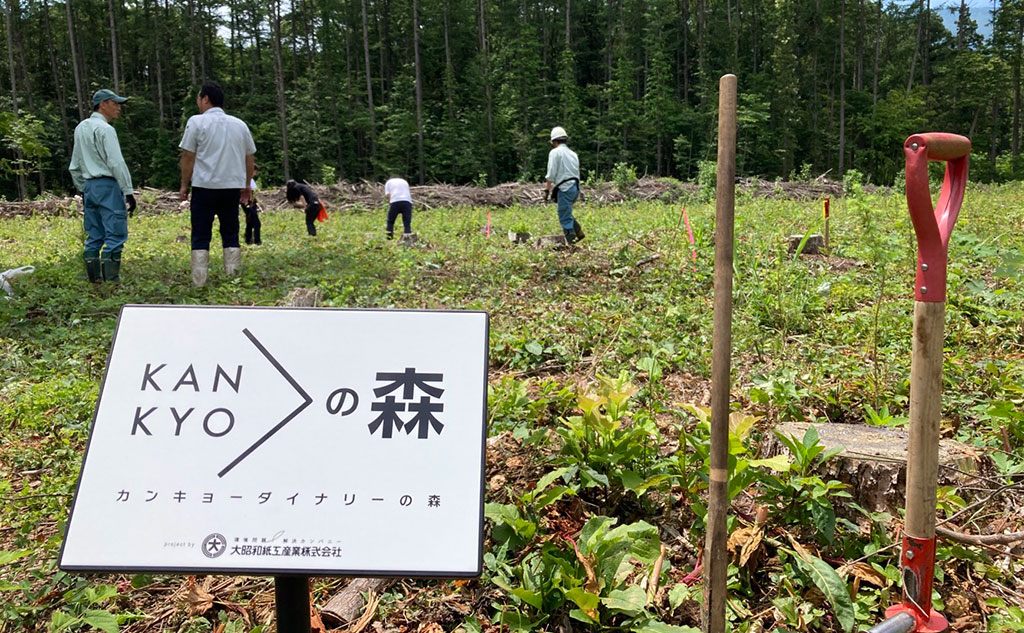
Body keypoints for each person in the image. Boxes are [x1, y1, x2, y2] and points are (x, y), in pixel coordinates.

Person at [179, 81, 256, 287]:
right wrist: (247, 185)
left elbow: (188, 155)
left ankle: (199, 282)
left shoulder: (196, 122)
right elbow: (249, 158)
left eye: (198, 97)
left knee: (201, 234)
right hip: (231, 187)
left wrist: (184, 185)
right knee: (230, 232)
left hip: (204, 187)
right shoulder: (239, 125)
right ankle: (233, 279)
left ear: (205, 99)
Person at [69, 89, 137, 282]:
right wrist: (128, 191)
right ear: (102, 104)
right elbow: (116, 163)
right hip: (107, 185)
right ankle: (111, 283)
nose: (118, 108)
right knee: (115, 232)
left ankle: (95, 281)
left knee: (94, 234)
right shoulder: (106, 129)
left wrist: (83, 188)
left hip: (89, 186)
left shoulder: (81, 128)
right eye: (115, 103)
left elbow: (75, 164)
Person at [543, 126, 585, 244]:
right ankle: (579, 232)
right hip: (575, 188)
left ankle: (570, 243)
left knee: (564, 216)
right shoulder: (573, 154)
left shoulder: (555, 153)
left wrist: (547, 190)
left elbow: (551, 174)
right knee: (566, 211)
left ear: (554, 141)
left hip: (565, 189)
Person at [242, 165, 261, 245]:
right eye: (255, 171)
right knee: (257, 223)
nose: (255, 173)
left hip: (252, 202)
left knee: (250, 221)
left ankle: (248, 239)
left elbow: (254, 193)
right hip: (248, 203)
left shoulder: (251, 180)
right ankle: (257, 240)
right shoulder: (245, 180)